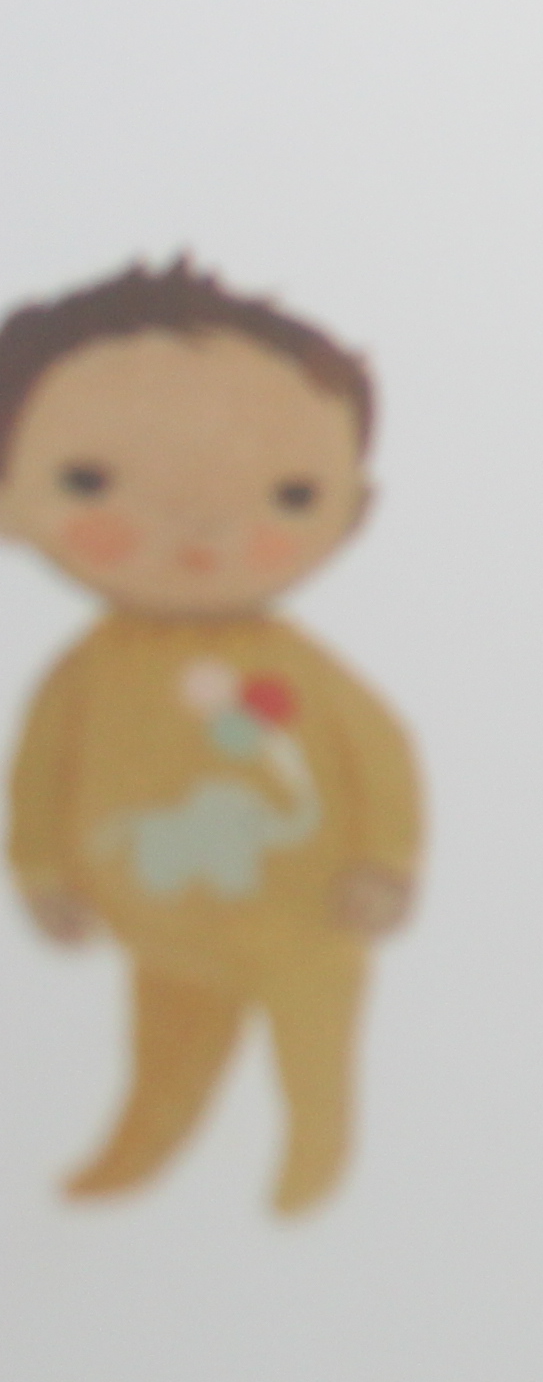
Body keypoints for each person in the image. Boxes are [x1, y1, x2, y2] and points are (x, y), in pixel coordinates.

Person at [1, 261, 421, 1216]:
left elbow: (380, 757)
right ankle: (136, 1156)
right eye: (93, 481)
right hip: (161, 927)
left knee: (313, 1057)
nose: (199, 526)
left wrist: (387, 860)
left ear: (350, 513)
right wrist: (41, 870)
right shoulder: (84, 676)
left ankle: (313, 1178)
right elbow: (38, 775)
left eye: (287, 494)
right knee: (166, 1053)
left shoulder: (303, 672)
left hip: (306, 918)